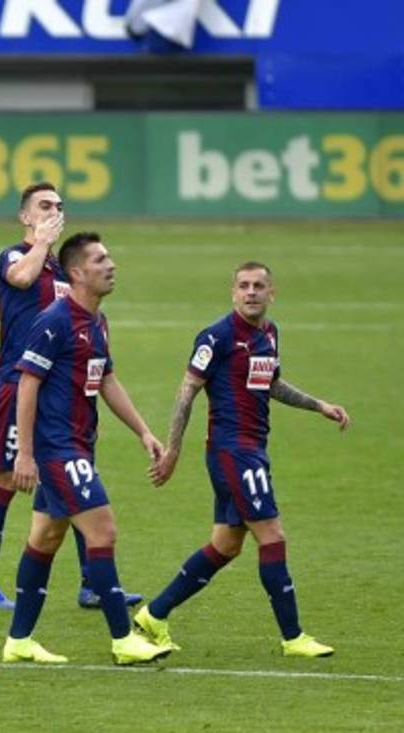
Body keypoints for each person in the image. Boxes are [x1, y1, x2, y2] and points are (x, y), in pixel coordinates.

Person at [136, 262, 348, 658]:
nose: (251, 292)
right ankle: (293, 637)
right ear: (233, 293)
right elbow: (187, 393)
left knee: (226, 545)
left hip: (252, 449)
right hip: (232, 451)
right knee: (273, 536)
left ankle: (154, 613)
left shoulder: (269, 334)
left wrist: (318, 405)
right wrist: (173, 451)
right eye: (244, 286)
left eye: (259, 286)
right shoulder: (217, 337)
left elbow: (269, 383)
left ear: (272, 294)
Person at [0, 182, 142, 611]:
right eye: (44, 206)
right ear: (25, 217)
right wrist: (43, 242)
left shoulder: (66, 274)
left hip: (64, 391)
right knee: (6, 479)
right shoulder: (13, 256)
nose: (54, 211)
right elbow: (22, 277)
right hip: (19, 383)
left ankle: (92, 584)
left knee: (76, 475)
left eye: (59, 206)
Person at [4, 232, 170, 666]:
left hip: (81, 444)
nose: (111, 264)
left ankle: (18, 640)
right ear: (77, 273)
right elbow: (27, 384)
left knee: (46, 537)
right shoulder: (54, 321)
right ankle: (122, 639)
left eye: (109, 257)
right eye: (100, 259)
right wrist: (25, 453)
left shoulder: (98, 321)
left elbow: (107, 380)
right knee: (103, 532)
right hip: (58, 449)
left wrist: (143, 432)